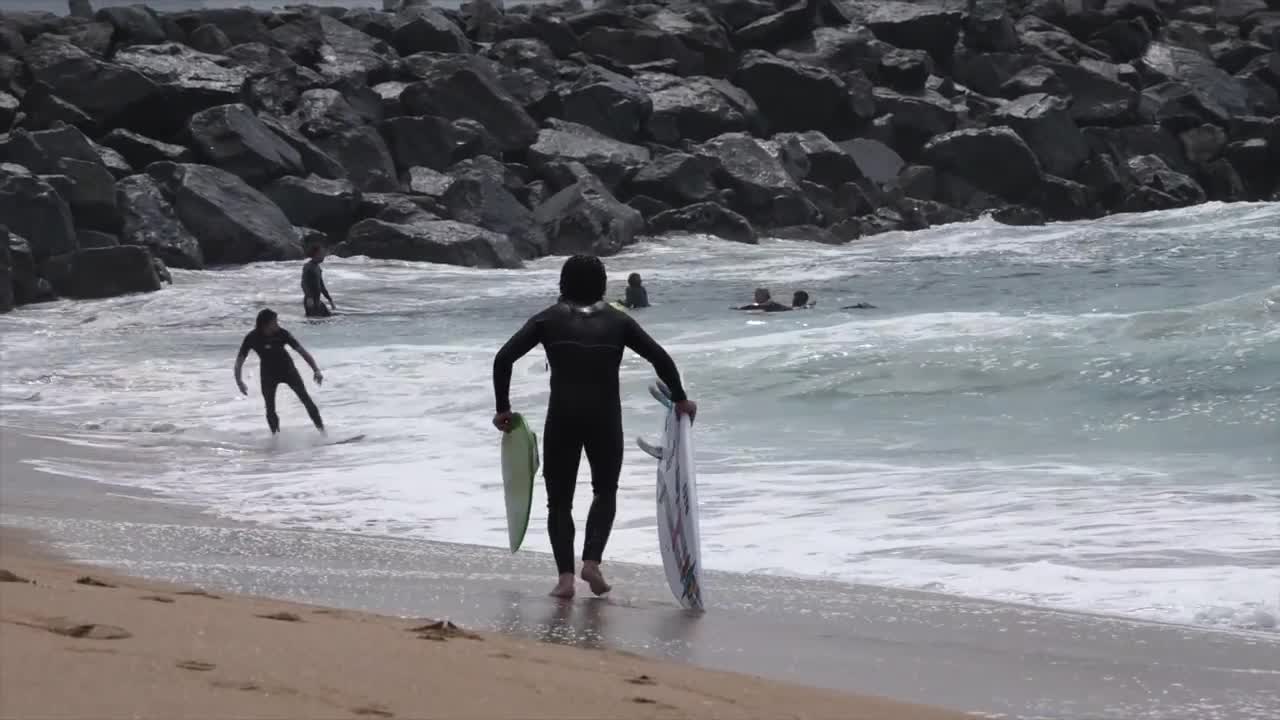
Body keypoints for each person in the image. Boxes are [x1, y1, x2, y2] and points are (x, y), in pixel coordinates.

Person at [492, 256, 697, 599]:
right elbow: (660, 358)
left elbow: (503, 359)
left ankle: (565, 579)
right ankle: (592, 562)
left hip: (563, 418)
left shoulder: (547, 319)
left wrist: (503, 409)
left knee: (559, 502)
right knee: (605, 491)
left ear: (563, 282)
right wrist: (680, 399)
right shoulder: (619, 322)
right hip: (604, 418)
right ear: (602, 284)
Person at [235, 309, 326, 435]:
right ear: (265, 324)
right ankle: (276, 439)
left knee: (306, 400)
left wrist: (316, 370)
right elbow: (239, 360)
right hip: (268, 374)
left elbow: (302, 351)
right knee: (270, 409)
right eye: (275, 322)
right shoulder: (252, 338)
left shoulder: (282, 333)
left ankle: (323, 433)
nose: (277, 324)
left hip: (288, 370)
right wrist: (239, 381)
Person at [301, 245, 335, 318]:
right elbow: (303, 283)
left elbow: (322, 286)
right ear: (316, 254)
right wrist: (309, 297)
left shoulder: (317, 267)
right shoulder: (308, 266)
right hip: (310, 302)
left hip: (317, 301)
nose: (324, 256)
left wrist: (329, 299)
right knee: (314, 324)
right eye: (322, 253)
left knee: (329, 318)